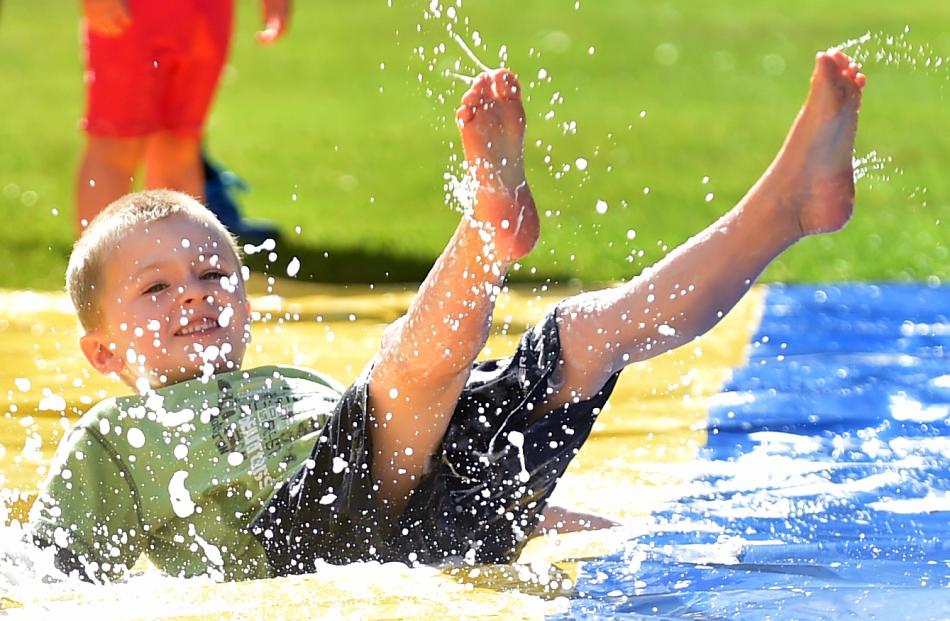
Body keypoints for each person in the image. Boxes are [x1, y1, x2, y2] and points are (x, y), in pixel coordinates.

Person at [30, 51, 865, 582]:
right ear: (101, 350)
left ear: (247, 300)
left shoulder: (289, 386)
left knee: (580, 336)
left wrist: (604, 531)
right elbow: (49, 572)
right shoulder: (116, 437)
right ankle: (486, 229)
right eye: (156, 288)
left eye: (214, 271)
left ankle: (785, 211)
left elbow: (423, 459)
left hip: (414, 529)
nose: (195, 293)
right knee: (397, 389)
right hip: (295, 543)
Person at [76, 0, 290, 235]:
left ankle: (176, 263)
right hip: (132, 12)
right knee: (116, 143)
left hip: (205, 13)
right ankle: (100, 266)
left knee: (181, 144)